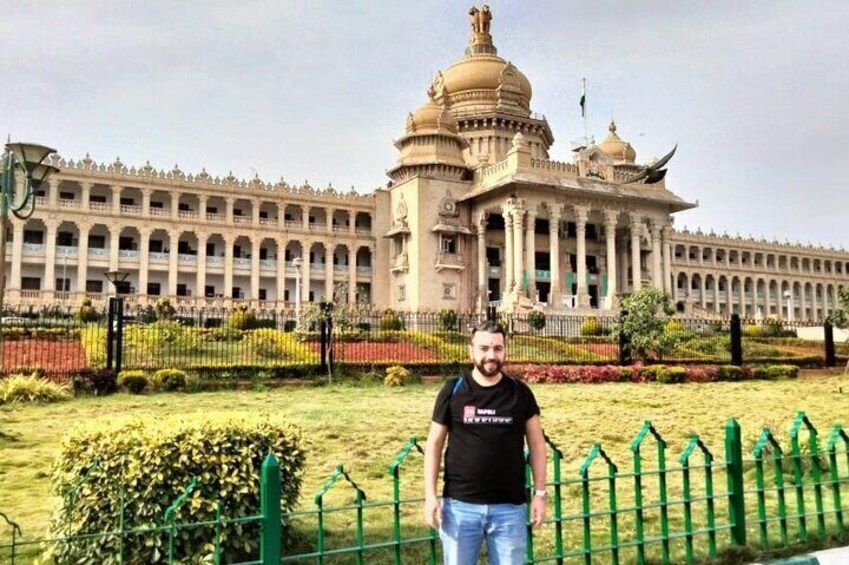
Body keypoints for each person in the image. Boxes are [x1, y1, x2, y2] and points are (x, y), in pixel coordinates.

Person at [423, 320, 546, 564]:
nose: (491, 355)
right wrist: (430, 495)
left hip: (509, 508)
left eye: (498, 348)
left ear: (505, 350)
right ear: (472, 351)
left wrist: (540, 494)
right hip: (460, 507)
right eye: (484, 348)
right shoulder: (453, 390)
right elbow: (434, 444)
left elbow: (537, 445)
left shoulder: (520, 393)